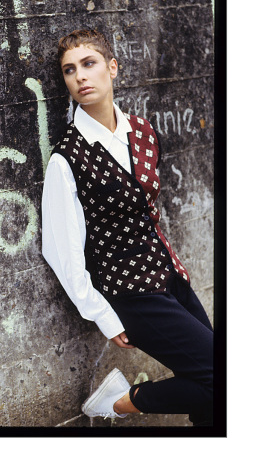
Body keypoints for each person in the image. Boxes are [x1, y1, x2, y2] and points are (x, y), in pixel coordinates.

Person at [41, 29, 213, 426]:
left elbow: (147, 210)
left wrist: (174, 272)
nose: (80, 77)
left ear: (112, 68)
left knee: (211, 391)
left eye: (89, 64)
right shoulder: (66, 159)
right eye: (70, 70)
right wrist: (102, 314)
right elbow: (61, 250)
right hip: (129, 293)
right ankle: (119, 402)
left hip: (170, 276)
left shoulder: (143, 131)